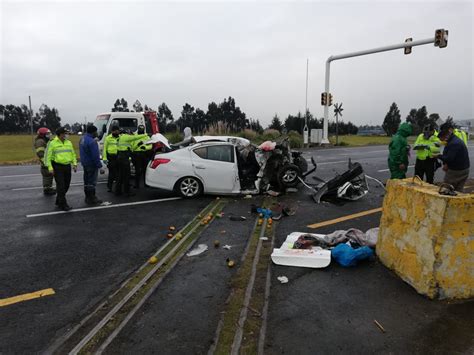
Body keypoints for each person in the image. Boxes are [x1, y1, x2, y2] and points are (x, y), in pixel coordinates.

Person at [46, 127, 77, 211]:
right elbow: (47, 157)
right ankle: (63, 204)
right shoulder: (52, 143)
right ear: (60, 134)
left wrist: (74, 164)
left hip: (67, 166)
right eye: (65, 133)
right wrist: (50, 168)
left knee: (66, 185)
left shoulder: (69, 143)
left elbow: (73, 154)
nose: (66, 135)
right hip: (57, 167)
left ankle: (59, 200)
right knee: (61, 186)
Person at [436, 122, 470, 192]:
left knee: (447, 189)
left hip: (457, 170)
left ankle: (448, 201)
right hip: (464, 168)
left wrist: (438, 156)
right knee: (458, 190)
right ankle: (457, 201)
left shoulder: (454, 143)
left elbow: (449, 158)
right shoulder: (453, 139)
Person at [79, 125, 104, 205]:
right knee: (92, 182)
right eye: (96, 131)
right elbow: (95, 156)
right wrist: (100, 166)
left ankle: (87, 198)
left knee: (86, 181)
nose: (96, 133)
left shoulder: (82, 139)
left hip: (85, 163)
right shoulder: (92, 141)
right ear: (93, 132)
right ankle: (92, 198)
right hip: (91, 164)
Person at [115, 129, 144, 196]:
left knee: (120, 176)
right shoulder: (125, 137)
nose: (131, 135)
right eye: (130, 134)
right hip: (124, 159)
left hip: (120, 157)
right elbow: (135, 137)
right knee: (126, 176)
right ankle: (127, 192)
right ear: (127, 133)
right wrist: (145, 135)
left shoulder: (120, 138)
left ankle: (118, 191)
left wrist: (138, 145)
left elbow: (131, 149)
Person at [34, 127, 56, 195]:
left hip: (46, 162)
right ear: (42, 135)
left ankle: (48, 188)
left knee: (48, 176)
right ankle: (47, 190)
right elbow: (41, 154)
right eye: (47, 134)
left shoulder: (44, 140)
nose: (49, 135)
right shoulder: (40, 142)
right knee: (47, 175)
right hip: (45, 162)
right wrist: (46, 163)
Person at [103, 125, 120, 192]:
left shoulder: (120, 138)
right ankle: (109, 187)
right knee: (111, 174)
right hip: (111, 157)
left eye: (118, 131)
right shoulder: (108, 138)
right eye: (115, 131)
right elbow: (105, 149)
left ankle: (117, 187)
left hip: (118, 157)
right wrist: (104, 158)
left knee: (118, 173)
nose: (117, 132)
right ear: (112, 131)